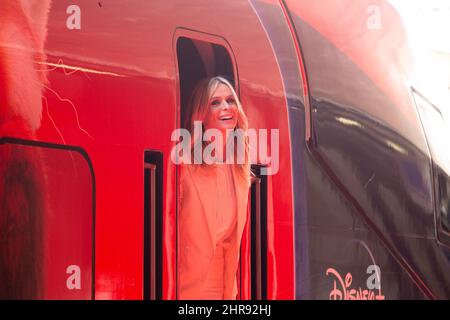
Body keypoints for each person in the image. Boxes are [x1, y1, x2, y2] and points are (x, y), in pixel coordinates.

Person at [179, 76, 252, 300]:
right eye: (215, 102)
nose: (225, 107)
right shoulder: (184, 164)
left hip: (225, 291)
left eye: (230, 100)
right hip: (186, 290)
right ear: (201, 114)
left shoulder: (240, 169)